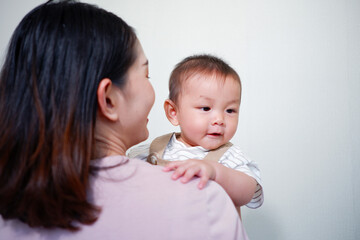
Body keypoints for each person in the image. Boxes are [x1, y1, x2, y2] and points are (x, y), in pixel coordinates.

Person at [0, 1, 248, 239]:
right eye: (146, 74)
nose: (218, 120)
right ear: (109, 100)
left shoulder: (10, 205)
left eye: (230, 110)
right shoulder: (204, 201)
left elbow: (250, 187)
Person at [129, 55, 264, 212]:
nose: (220, 119)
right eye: (206, 108)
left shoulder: (230, 157)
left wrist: (215, 172)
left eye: (230, 110)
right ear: (173, 112)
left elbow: (248, 194)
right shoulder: (153, 150)